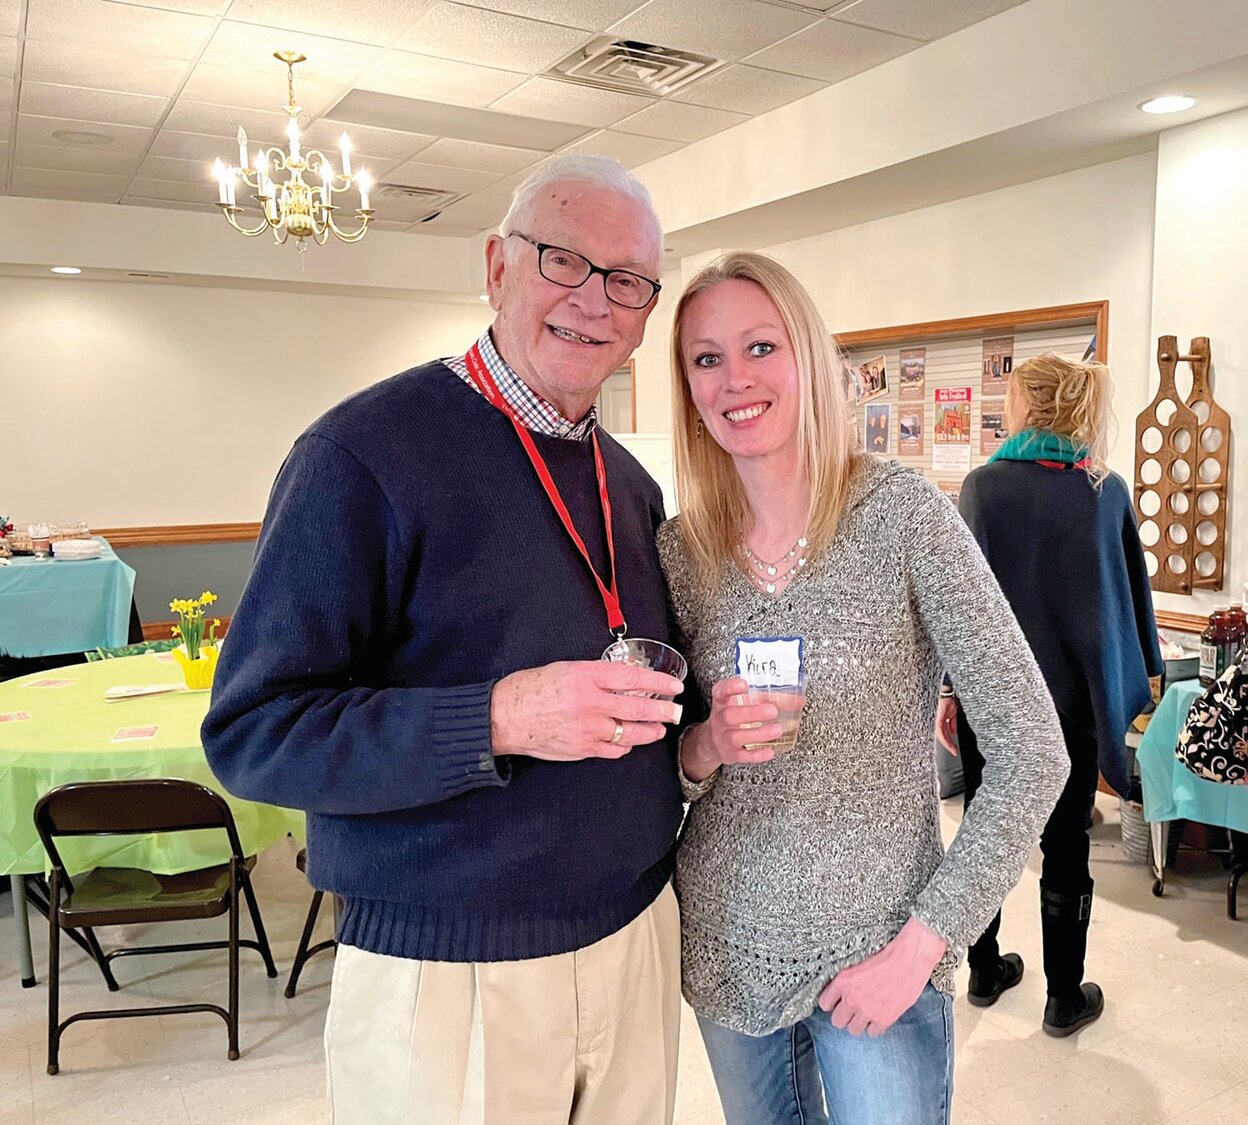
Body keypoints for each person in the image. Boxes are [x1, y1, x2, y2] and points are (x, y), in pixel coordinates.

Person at [202, 154, 688, 1124]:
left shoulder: (630, 484)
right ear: (497, 265)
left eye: (627, 280)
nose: (594, 300)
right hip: (449, 960)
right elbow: (256, 734)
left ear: (645, 313)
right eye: (563, 260)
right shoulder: (361, 455)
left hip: (636, 932)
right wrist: (498, 717)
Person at [657, 251, 1069, 1125]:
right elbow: (658, 767)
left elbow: (1035, 748)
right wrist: (705, 745)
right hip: (725, 948)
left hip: (880, 953)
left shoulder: (903, 516)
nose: (736, 379)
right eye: (707, 358)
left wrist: (925, 944)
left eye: (761, 346)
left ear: (808, 356)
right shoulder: (679, 552)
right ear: (686, 385)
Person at [936, 353, 1160, 1036]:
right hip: (1068, 705)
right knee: (1067, 843)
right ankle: (1064, 997)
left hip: (990, 701)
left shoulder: (982, 486)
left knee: (984, 826)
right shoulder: (1105, 489)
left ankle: (981, 967)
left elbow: (960, 606)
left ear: (1027, 406)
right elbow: (1126, 603)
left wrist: (950, 688)